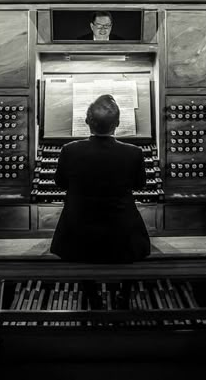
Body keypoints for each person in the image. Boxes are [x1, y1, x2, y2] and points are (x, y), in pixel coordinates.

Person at [50, 94, 150, 309]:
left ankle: (92, 297)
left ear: (87, 122)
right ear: (118, 124)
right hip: (123, 239)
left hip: (77, 239)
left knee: (84, 245)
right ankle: (123, 295)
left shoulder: (69, 150)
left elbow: (60, 183)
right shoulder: (134, 152)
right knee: (132, 240)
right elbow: (140, 185)